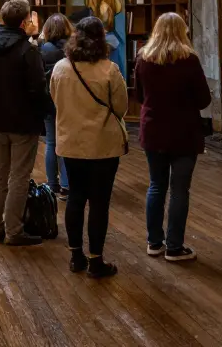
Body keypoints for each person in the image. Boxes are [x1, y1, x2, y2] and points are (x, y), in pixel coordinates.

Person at [49, 16, 129, 277]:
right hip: (103, 144)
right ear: (101, 39)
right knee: (99, 202)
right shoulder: (109, 69)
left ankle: (75, 256)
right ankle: (96, 260)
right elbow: (121, 107)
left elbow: (54, 99)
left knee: (75, 197)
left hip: (71, 142)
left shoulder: (61, 67)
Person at [134, 13, 211, 262]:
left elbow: (139, 95)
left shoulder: (144, 58)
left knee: (156, 185)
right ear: (182, 30)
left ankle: (154, 242)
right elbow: (203, 99)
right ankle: (175, 247)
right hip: (184, 131)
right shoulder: (189, 60)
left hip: (154, 128)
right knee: (180, 190)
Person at [0, 0, 48, 247]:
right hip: (23, 120)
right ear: (23, 22)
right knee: (19, 176)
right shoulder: (28, 51)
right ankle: (14, 230)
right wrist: (44, 113)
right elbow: (38, 88)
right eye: (30, 18)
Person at [39, 14, 73, 199]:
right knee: (67, 142)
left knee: (51, 143)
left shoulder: (43, 49)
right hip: (69, 101)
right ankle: (67, 185)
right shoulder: (73, 49)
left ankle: (52, 185)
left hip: (49, 100)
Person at [69, 0, 124, 69]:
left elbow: (119, 38)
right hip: (95, 51)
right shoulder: (90, 9)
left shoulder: (115, 8)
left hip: (110, 51)